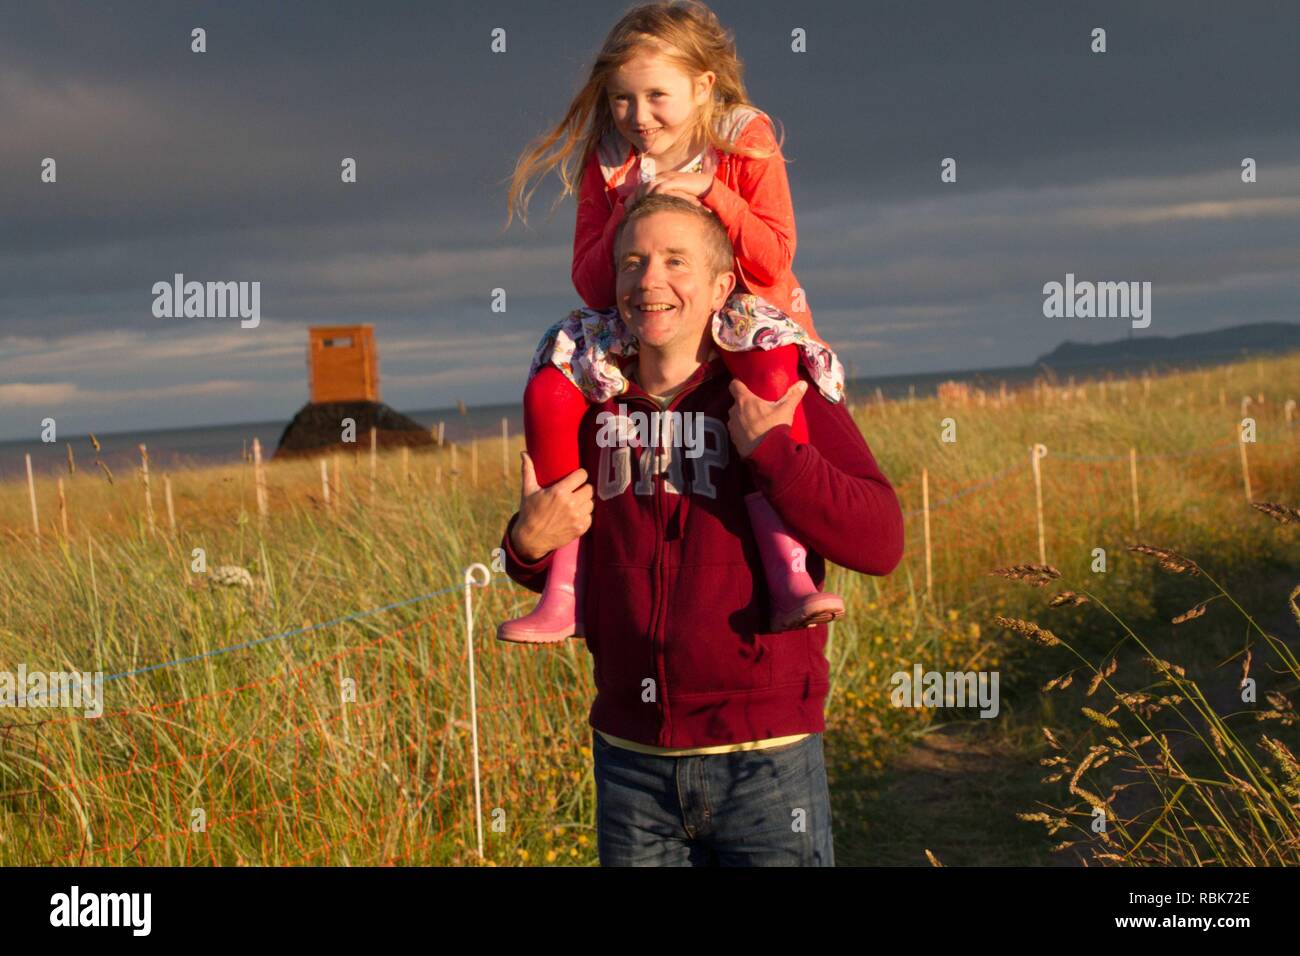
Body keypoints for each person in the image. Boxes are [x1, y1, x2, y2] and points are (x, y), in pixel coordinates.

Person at [497, 194, 904, 866]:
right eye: (633, 262)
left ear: (722, 287)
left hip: (764, 763)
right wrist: (525, 545)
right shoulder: (589, 404)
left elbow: (881, 543)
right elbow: (550, 550)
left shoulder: (775, 397)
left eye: (674, 261)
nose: (649, 280)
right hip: (631, 764)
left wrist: (774, 452)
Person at [500, 0, 846, 643]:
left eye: (656, 95)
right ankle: (564, 588)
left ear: (703, 86)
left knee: (771, 371)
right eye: (622, 99)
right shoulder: (609, 156)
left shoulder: (742, 136)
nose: (637, 116)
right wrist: (622, 217)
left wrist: (714, 196)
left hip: (740, 307)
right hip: (643, 315)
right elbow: (592, 281)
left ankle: (788, 570)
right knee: (548, 387)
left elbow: (775, 257)